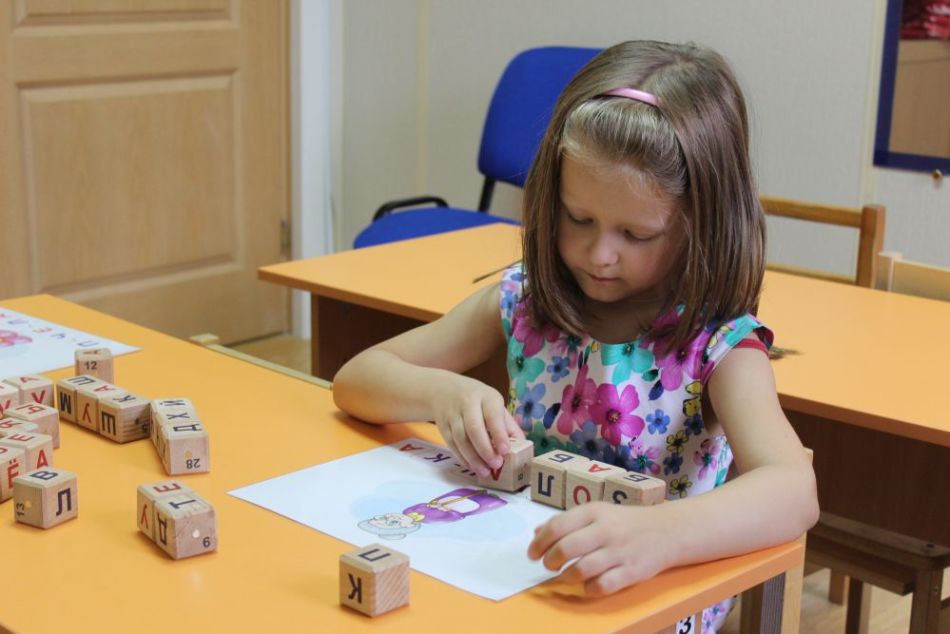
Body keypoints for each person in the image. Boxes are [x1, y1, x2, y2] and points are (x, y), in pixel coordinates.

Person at [333, 40, 818, 631]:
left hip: (645, 605)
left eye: (637, 234)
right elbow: (355, 379)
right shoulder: (524, 301)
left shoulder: (718, 346)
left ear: (702, 224)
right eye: (578, 217)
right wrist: (442, 394)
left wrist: (662, 534)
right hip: (512, 591)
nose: (600, 254)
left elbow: (794, 491)